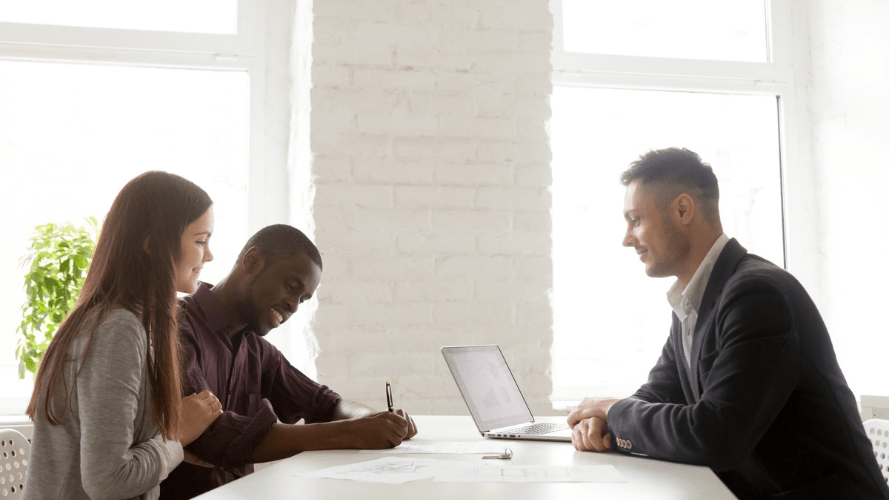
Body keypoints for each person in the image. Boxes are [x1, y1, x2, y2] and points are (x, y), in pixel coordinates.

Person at [567, 148, 889, 500]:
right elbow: (658, 393)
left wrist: (612, 409)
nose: (627, 238)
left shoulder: (757, 295)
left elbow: (715, 437)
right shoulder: (695, 301)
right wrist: (606, 421)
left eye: (636, 219)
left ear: (683, 209)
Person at [160, 224, 417, 499]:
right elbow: (213, 437)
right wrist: (351, 433)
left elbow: (326, 404)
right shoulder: (175, 330)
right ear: (253, 260)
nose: (294, 306)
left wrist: (372, 419)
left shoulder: (258, 351)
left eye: (303, 299)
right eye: (291, 286)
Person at [24, 171, 224, 500]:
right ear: (151, 243)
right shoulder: (118, 329)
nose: (210, 255)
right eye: (200, 241)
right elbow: (108, 481)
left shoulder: (135, 323)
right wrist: (176, 436)